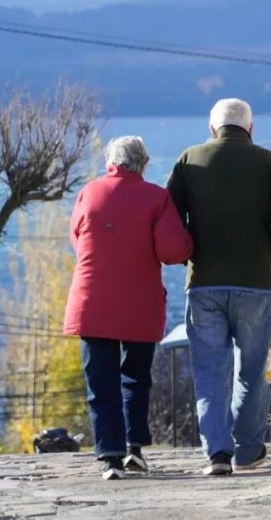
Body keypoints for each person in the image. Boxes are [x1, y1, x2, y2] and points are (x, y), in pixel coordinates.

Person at [166, 98, 271, 476]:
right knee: (252, 371)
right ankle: (248, 452)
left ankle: (218, 455)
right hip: (258, 284)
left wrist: (187, 256)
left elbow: (170, 220)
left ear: (212, 129)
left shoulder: (188, 160)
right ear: (251, 128)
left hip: (204, 284)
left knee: (211, 372)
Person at [64, 135, 194, 481]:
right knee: (136, 378)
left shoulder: (88, 193)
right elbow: (171, 251)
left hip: (93, 302)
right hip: (140, 303)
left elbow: (77, 239)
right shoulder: (157, 198)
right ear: (144, 163)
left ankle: (109, 455)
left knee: (100, 382)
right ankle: (134, 449)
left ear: (111, 162)